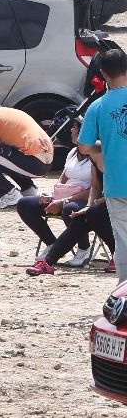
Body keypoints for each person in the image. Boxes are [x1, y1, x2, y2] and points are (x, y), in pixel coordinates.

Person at [26, 147, 117, 277]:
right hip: (106, 201)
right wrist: (89, 205)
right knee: (83, 217)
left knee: (94, 213)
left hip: (119, 200)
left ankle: (118, 254)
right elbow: (96, 187)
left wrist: (101, 201)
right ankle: (48, 262)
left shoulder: (118, 154)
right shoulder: (94, 156)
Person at [78, 46, 127, 283]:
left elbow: (84, 147)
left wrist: (103, 146)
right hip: (116, 184)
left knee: (124, 242)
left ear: (104, 75)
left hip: (118, 183)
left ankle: (124, 295)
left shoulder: (97, 107)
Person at [14, 145, 95, 262]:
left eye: (75, 129)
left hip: (84, 199)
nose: (71, 130)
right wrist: (52, 195)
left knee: (70, 209)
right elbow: (63, 179)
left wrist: (64, 201)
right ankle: (52, 244)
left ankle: (84, 248)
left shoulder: (97, 154)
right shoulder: (73, 152)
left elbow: (95, 189)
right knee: (25, 204)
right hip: (66, 196)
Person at [0, 102, 53, 204]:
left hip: (33, 160)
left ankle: (8, 193)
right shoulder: (3, 115)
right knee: (2, 157)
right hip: (46, 162)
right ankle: (28, 189)